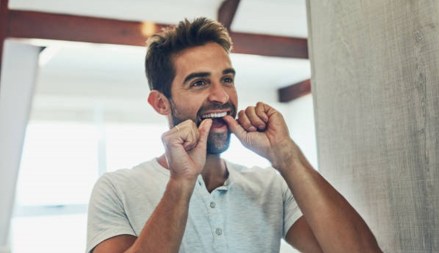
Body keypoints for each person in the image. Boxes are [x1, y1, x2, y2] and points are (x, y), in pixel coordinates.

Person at [86, 17, 382, 253]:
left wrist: (287, 156)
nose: (221, 96)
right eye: (199, 82)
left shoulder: (270, 186)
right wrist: (181, 182)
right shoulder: (116, 188)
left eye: (226, 79)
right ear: (161, 103)